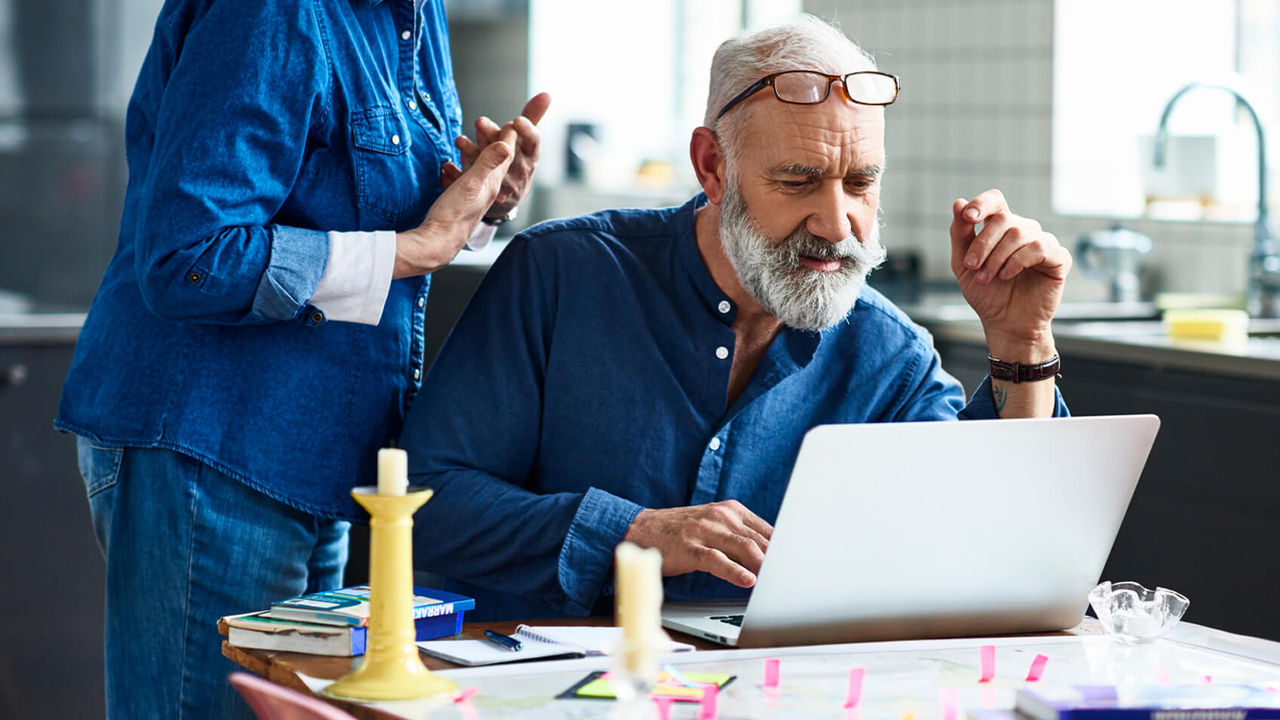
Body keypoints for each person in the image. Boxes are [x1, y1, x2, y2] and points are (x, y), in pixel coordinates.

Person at [400, 15, 1071, 621]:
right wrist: (632, 534)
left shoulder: (889, 354)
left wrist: (1021, 342)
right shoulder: (560, 275)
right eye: (798, 180)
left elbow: (985, 542)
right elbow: (418, 504)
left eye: (861, 183)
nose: (837, 223)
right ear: (712, 166)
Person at [54, 1, 546, 717]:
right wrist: (416, 249)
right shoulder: (270, 11)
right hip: (215, 444)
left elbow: (363, 206)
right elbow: (188, 257)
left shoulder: (418, 14)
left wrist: (480, 201)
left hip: (314, 454)